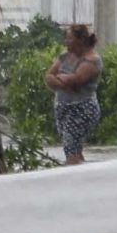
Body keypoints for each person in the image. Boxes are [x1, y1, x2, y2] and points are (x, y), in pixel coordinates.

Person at [44, 24, 102, 165]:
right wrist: (62, 80)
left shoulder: (92, 60)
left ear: (80, 40)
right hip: (62, 107)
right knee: (73, 149)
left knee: (71, 149)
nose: (66, 41)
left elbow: (76, 80)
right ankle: (83, 177)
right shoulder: (64, 56)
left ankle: (70, 179)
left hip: (82, 109)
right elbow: (49, 76)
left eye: (69, 38)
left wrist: (62, 79)